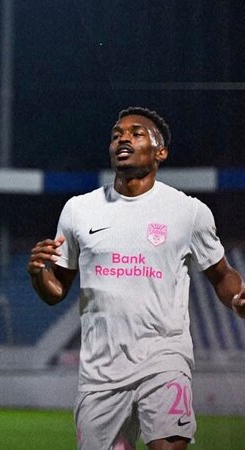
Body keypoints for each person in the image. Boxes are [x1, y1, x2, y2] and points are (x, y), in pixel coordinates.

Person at [27, 107, 245, 450]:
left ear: (161, 152)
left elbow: (221, 275)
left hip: (164, 359)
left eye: (136, 133)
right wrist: (39, 274)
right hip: (100, 373)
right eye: (116, 135)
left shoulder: (188, 212)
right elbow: (56, 291)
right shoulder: (78, 210)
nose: (123, 139)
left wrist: (236, 297)